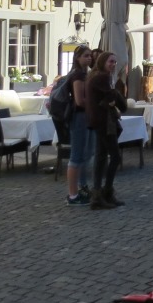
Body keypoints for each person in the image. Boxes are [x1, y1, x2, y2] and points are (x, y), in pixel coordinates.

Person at [85, 51, 127, 210]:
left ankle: (98, 194)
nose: (113, 64)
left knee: (101, 156)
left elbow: (107, 99)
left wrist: (111, 100)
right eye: (111, 61)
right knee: (115, 157)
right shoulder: (102, 77)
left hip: (98, 120)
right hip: (103, 121)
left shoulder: (95, 76)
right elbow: (111, 97)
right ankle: (106, 191)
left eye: (115, 62)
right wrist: (115, 99)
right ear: (102, 62)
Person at [65, 45, 94, 206]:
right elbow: (79, 100)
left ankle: (82, 188)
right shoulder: (77, 75)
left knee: (85, 154)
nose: (89, 58)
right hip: (79, 117)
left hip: (85, 116)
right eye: (86, 56)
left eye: (90, 56)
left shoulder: (84, 74)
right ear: (77, 58)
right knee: (76, 156)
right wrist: (96, 103)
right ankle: (73, 195)